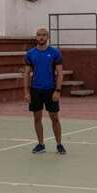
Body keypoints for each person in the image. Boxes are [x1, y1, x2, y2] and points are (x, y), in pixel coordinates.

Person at [23, 27, 66, 155]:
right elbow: (26, 74)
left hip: (50, 90)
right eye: (39, 35)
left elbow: (60, 73)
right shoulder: (30, 54)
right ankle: (41, 144)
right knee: (37, 118)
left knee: (55, 118)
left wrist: (57, 90)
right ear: (36, 37)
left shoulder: (55, 53)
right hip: (36, 90)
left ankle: (59, 144)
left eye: (43, 35)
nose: (41, 37)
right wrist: (26, 92)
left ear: (48, 37)